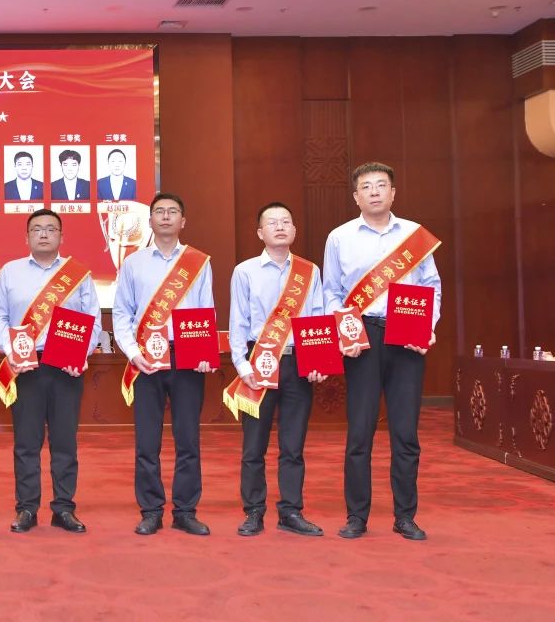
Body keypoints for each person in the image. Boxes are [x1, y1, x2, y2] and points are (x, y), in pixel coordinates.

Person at [323, 162, 441, 541]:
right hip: (362, 336)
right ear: (356, 196)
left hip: (407, 336)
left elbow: (432, 286)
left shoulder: (414, 235)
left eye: (381, 185)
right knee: (360, 432)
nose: (374, 191)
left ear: (393, 193)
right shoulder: (339, 238)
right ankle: (356, 516)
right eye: (366, 187)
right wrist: (344, 327)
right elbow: (331, 291)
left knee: (405, 433)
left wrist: (427, 328)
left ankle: (405, 517)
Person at [0, 209, 101, 534]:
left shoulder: (78, 274)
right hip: (26, 365)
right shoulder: (10, 272)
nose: (43, 234)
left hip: (66, 366)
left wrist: (81, 353)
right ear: (26, 237)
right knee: (27, 442)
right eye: (37, 229)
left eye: (51, 229)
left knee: (65, 442)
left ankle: (63, 509)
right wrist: (11, 349)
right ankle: (27, 508)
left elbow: (92, 318)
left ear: (61, 237)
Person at [112, 192, 215, 536]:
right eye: (160, 211)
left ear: (183, 221)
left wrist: (204, 353)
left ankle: (185, 511)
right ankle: (151, 510)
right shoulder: (134, 263)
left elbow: (206, 310)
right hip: (146, 360)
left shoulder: (198, 262)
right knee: (147, 441)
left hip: (187, 357)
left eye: (173, 211)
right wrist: (132, 353)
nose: (166, 216)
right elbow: (122, 314)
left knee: (188, 440)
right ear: (151, 220)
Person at [226, 202, 327, 537]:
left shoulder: (309, 272)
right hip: (258, 362)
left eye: (286, 221)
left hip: (297, 363)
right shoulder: (245, 271)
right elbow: (238, 321)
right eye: (272, 222)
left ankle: (291, 512)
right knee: (253, 446)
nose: (280, 227)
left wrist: (316, 361)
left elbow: (317, 316)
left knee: (293, 446)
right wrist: (241, 364)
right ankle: (253, 511)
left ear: (294, 230)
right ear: (260, 232)